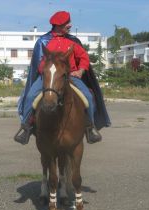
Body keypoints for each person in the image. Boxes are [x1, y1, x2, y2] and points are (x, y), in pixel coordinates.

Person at [14, 11, 111, 145]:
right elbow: (39, 63)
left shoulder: (72, 42)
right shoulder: (44, 41)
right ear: (58, 25)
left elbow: (84, 57)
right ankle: (26, 127)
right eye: (67, 23)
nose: (69, 25)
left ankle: (90, 127)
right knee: (30, 97)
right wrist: (47, 71)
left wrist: (80, 71)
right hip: (48, 77)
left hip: (70, 76)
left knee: (88, 96)